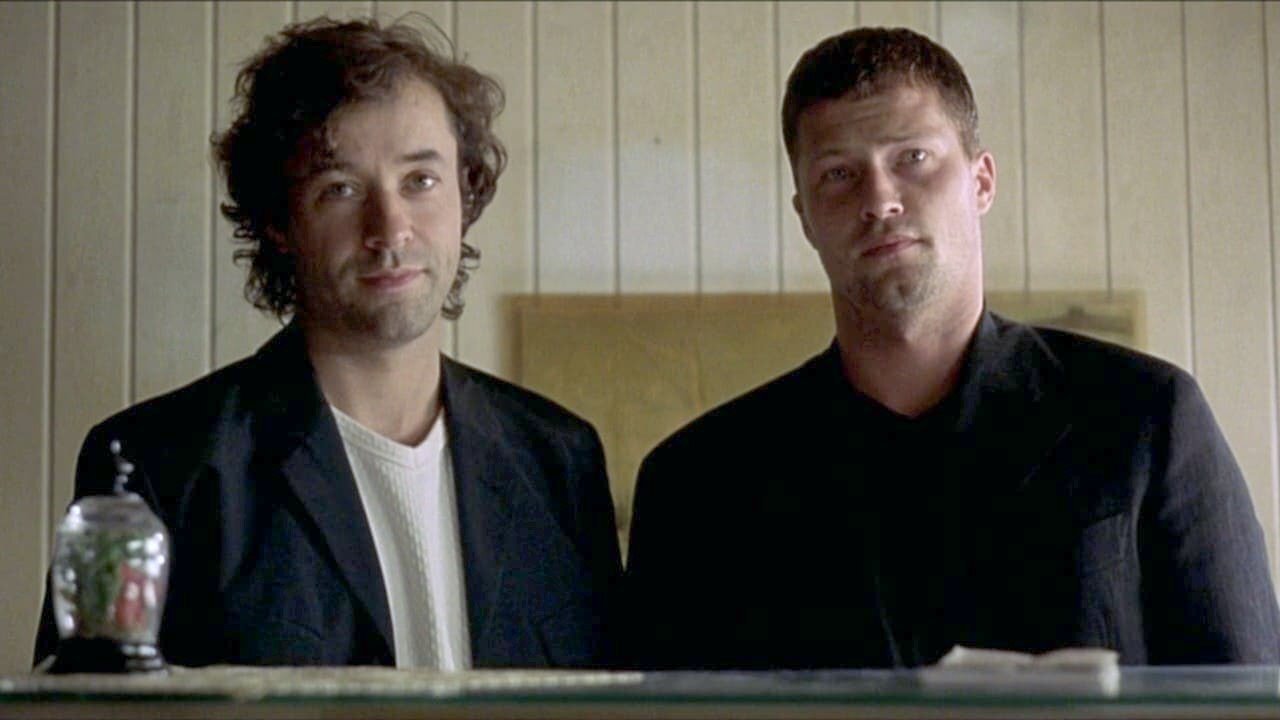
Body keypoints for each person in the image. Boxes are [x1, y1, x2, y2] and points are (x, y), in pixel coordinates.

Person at [624, 26, 1280, 669]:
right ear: (805, 217)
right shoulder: (697, 484)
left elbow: (1248, 696)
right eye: (838, 173)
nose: (879, 199)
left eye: (912, 158)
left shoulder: (1147, 417)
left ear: (982, 181)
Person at [34, 16, 620, 670]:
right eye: (339, 189)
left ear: (466, 193)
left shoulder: (560, 460)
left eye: (420, 180)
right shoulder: (159, 469)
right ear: (279, 222)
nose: (389, 229)